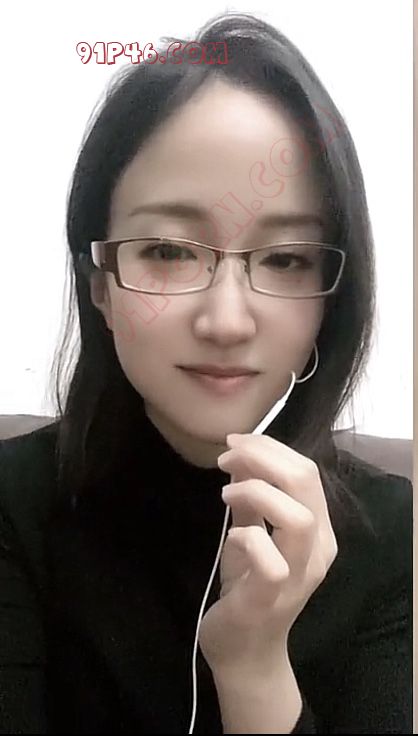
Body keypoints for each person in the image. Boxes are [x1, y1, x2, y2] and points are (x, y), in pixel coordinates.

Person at [0, 11, 412, 735]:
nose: (226, 321)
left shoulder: (395, 538)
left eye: (285, 259)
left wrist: (253, 666)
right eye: (167, 250)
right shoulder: (13, 507)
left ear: (331, 302)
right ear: (99, 286)